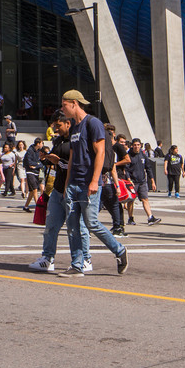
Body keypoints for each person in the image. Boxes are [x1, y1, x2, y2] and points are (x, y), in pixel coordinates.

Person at [61, 90, 129, 275]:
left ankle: (119, 250)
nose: (62, 108)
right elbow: (73, 156)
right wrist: (67, 184)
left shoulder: (93, 123)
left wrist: (94, 181)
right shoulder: (74, 126)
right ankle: (76, 264)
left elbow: (100, 152)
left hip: (89, 183)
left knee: (91, 222)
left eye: (64, 104)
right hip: (74, 183)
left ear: (74, 103)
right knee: (73, 227)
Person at [29, 111, 81, 273]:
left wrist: (59, 162)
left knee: (75, 229)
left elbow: (77, 165)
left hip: (73, 188)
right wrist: (50, 160)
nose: (56, 129)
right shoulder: (58, 141)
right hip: (57, 188)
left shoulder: (77, 140)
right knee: (50, 226)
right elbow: (59, 165)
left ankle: (80, 261)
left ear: (68, 123)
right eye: (55, 126)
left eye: (59, 125)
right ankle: (47, 257)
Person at [126, 138, 161, 226]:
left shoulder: (143, 155)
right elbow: (125, 170)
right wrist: (129, 180)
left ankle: (150, 217)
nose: (136, 147)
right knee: (131, 200)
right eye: (135, 145)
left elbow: (148, 169)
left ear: (140, 145)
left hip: (142, 181)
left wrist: (152, 181)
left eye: (138, 145)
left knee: (145, 199)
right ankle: (130, 218)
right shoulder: (129, 155)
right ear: (132, 145)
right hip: (133, 182)